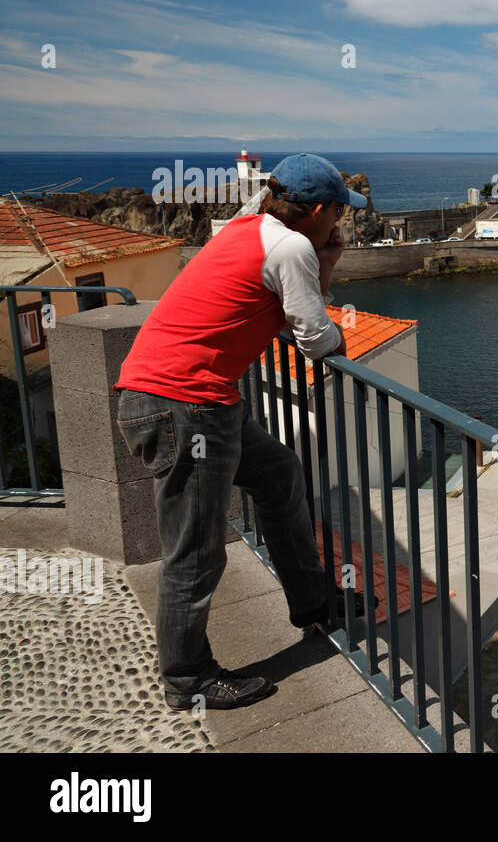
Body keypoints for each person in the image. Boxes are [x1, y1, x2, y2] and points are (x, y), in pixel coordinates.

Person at [114, 153, 367, 712]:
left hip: (183, 399)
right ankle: (187, 680)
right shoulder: (290, 246)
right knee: (195, 552)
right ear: (320, 209)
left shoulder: (250, 227)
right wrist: (325, 269)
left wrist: (326, 257)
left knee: (278, 473)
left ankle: (313, 603)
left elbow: (293, 304)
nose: (341, 226)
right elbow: (318, 338)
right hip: (183, 404)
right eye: (339, 216)